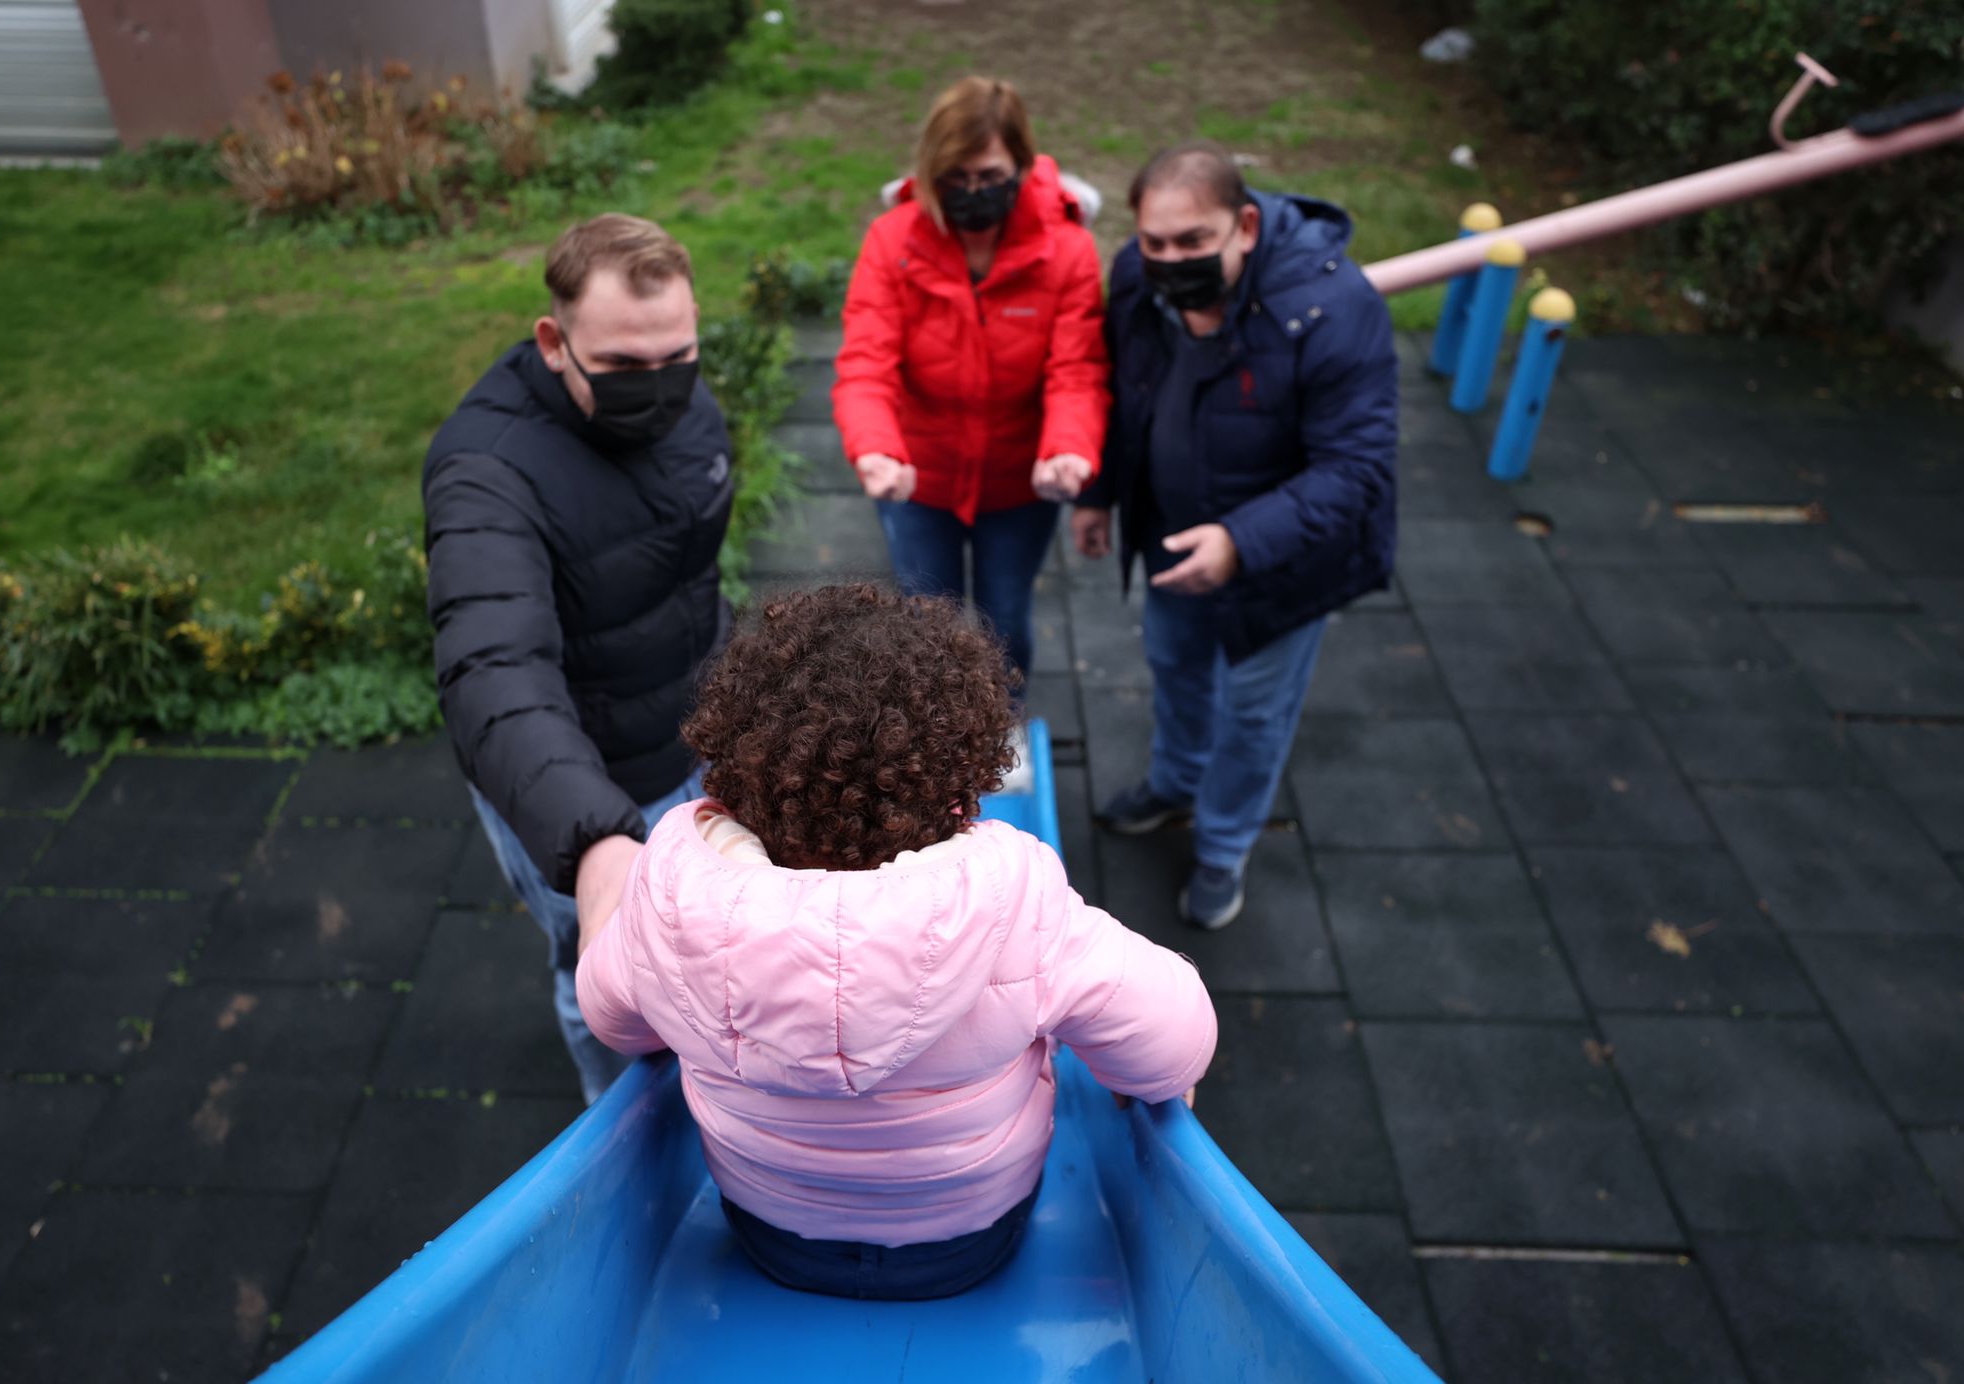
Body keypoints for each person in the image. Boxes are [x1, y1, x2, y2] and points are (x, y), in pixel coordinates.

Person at [573, 584, 1216, 1301]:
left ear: (737, 773)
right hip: (970, 1242)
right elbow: (1176, 1034)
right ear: (963, 792)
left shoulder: (671, 899)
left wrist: (615, 910)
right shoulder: (1018, 903)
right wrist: (1150, 1074)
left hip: (770, 1235)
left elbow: (613, 1018)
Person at [422, 214, 733, 1103]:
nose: (660, 387)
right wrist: (593, 843)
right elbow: (494, 670)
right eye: (626, 368)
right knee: (598, 973)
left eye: (678, 357)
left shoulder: (681, 394)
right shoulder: (486, 472)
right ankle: (618, 1116)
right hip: (584, 785)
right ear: (555, 343)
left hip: (694, 734)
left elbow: (682, 571)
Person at [1072, 142, 1399, 931]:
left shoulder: (1332, 308)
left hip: (1283, 562)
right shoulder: (1136, 282)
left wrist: (1242, 542)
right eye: (1155, 243)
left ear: (1244, 226)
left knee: (1256, 712)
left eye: (1192, 244)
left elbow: (1357, 467)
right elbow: (1126, 395)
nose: (1169, 260)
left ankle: (1222, 848)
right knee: (1175, 665)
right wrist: (1101, 494)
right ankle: (1177, 782)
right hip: (1173, 538)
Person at [834, 75, 1109, 781]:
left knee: (1005, 618)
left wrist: (1070, 449)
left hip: (1020, 480)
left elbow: (1075, 369)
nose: (973, 191)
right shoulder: (893, 241)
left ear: (1022, 164)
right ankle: (930, 741)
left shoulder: (1067, 253)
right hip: (918, 474)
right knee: (925, 618)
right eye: (955, 177)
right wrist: (876, 448)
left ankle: (998, 728)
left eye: (989, 175)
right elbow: (867, 360)